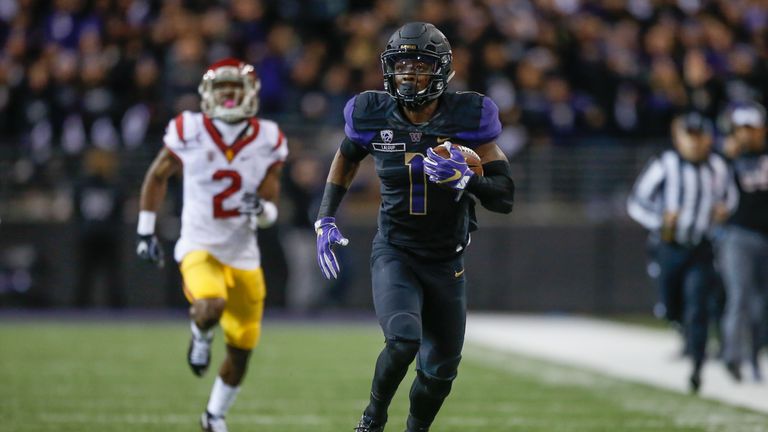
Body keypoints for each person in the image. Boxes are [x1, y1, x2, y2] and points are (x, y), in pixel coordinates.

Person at [314, 23, 515, 432]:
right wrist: (325, 216)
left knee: (440, 373)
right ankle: (372, 418)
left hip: (446, 259)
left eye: (420, 66)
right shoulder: (371, 111)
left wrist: (467, 180)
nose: (409, 75)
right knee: (403, 339)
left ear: (441, 71)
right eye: (402, 66)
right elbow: (347, 156)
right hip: (396, 249)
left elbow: (505, 197)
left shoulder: (468, 115)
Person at [136, 58, 287, 432]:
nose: (229, 97)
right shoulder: (187, 128)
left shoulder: (269, 137)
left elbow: (270, 208)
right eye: (222, 90)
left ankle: (213, 416)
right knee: (210, 305)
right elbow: (157, 176)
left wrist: (262, 210)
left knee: (241, 352)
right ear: (208, 94)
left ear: (251, 93)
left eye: (236, 89)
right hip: (199, 244)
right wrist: (145, 230)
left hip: (244, 254)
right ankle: (200, 336)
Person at [627, 111, 738, 393]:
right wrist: (661, 220)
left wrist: (724, 212)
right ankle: (679, 326)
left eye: (700, 136)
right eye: (690, 136)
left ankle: (697, 368)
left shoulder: (717, 167)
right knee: (670, 306)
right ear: (678, 138)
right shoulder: (665, 164)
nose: (695, 142)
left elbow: (730, 197)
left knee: (698, 305)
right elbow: (636, 202)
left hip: (700, 246)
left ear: (708, 138)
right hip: (669, 245)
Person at [718, 101, 768, 382]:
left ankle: (755, 356)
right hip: (738, 235)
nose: (747, 134)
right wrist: (724, 159)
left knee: (763, 305)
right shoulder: (724, 159)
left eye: (752, 128)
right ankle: (732, 357)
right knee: (739, 297)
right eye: (742, 129)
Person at [72, 148, 125, 308]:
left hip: (101, 235)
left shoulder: (113, 184)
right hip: (97, 235)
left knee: (110, 276)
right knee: (87, 275)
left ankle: (116, 309)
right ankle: (80, 308)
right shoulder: (87, 184)